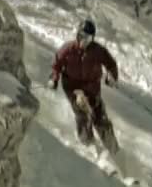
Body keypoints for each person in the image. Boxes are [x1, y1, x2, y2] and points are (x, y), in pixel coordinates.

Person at [48, 19, 120, 157]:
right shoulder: (68, 49)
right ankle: (89, 146)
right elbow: (56, 65)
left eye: (88, 38)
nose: (84, 40)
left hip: (92, 89)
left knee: (100, 118)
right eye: (82, 36)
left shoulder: (98, 51)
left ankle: (114, 151)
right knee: (82, 111)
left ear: (92, 38)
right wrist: (53, 78)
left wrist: (111, 77)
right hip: (73, 87)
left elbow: (111, 64)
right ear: (77, 35)